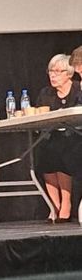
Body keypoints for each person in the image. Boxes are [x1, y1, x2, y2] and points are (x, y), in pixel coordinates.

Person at [36, 54, 82, 223]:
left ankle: (66, 205)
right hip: (52, 136)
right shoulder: (46, 93)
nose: (53, 75)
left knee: (63, 149)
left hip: (75, 136)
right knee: (44, 151)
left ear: (69, 73)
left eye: (57, 71)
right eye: (50, 71)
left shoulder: (78, 89)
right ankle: (54, 206)